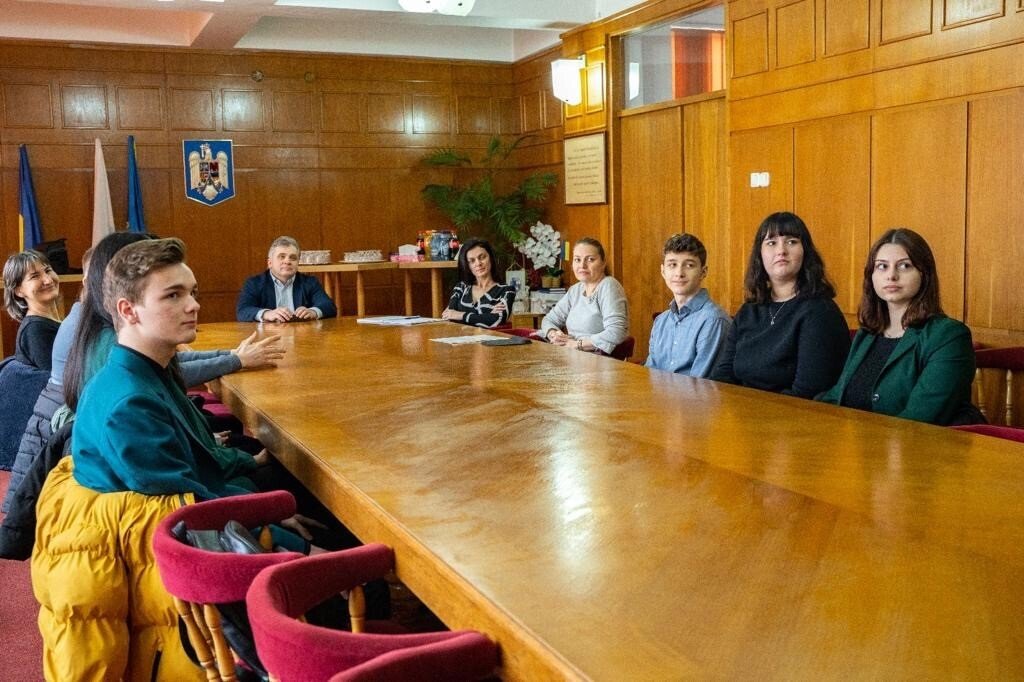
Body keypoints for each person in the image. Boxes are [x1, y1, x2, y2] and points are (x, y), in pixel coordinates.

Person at [816, 228, 980, 425]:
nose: (891, 275)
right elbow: (837, 397)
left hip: (918, 442)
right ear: (871, 276)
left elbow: (919, 418)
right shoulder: (868, 334)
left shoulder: (948, 336)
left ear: (924, 274)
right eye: (882, 266)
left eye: (904, 266)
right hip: (858, 440)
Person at [711, 212, 850, 397]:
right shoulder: (748, 310)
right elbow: (722, 375)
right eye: (771, 243)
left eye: (791, 241)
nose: (781, 251)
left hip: (793, 412)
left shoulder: (820, 311)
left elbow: (807, 393)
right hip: (742, 410)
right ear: (759, 255)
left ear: (805, 251)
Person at [645, 233, 730, 377]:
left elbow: (701, 385)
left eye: (689, 265)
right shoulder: (661, 321)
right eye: (672, 265)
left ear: (703, 272)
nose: (679, 273)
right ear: (663, 271)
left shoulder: (713, 321)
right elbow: (649, 375)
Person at [540, 237, 629, 354]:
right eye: (577, 260)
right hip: (572, 356)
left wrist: (577, 344)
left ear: (603, 263)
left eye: (590, 259)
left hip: (599, 360)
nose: (582, 265)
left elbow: (616, 332)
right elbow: (549, 320)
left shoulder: (609, 285)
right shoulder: (575, 290)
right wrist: (554, 335)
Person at [236, 236, 337, 322]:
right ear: (270, 263)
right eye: (282, 257)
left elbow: (329, 306)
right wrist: (267, 314)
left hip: (303, 335)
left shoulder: (310, 282)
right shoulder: (254, 283)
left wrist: (313, 312)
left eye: (293, 258)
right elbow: (243, 311)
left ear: (298, 263)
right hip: (268, 336)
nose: (287, 261)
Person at [3, 250, 62, 371]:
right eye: (35, 276)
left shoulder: (48, 323)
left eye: (48, 270)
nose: (48, 280)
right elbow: (60, 379)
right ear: (18, 291)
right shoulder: (35, 330)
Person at [441, 238, 516, 328]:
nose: (478, 263)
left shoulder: (506, 290)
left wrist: (459, 315)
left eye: (482, 257)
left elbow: (496, 320)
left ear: (491, 258)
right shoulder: (461, 287)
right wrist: (486, 316)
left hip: (489, 337)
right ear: (467, 265)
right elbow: (448, 316)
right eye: (472, 261)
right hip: (459, 336)